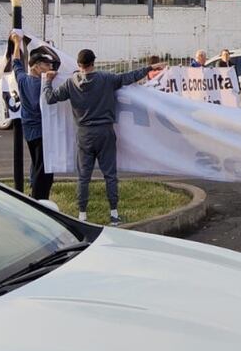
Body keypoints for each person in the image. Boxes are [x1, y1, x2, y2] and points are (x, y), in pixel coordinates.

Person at [44, 49, 165, 224]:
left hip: (84, 134)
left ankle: (82, 215)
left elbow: (50, 98)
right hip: (105, 132)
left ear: (79, 65)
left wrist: (48, 81)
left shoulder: (70, 83)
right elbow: (128, 77)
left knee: (84, 177)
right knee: (110, 175)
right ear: (94, 62)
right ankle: (114, 214)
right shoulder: (106, 79)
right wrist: (149, 68)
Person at [10, 34, 55, 200]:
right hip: (40, 131)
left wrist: (16, 43)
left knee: (37, 164)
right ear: (35, 66)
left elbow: (16, 64)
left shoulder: (22, 79)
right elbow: (42, 104)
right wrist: (49, 82)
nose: (49, 66)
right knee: (44, 169)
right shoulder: (39, 85)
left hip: (29, 130)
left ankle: (36, 196)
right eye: (45, 64)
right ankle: (39, 199)